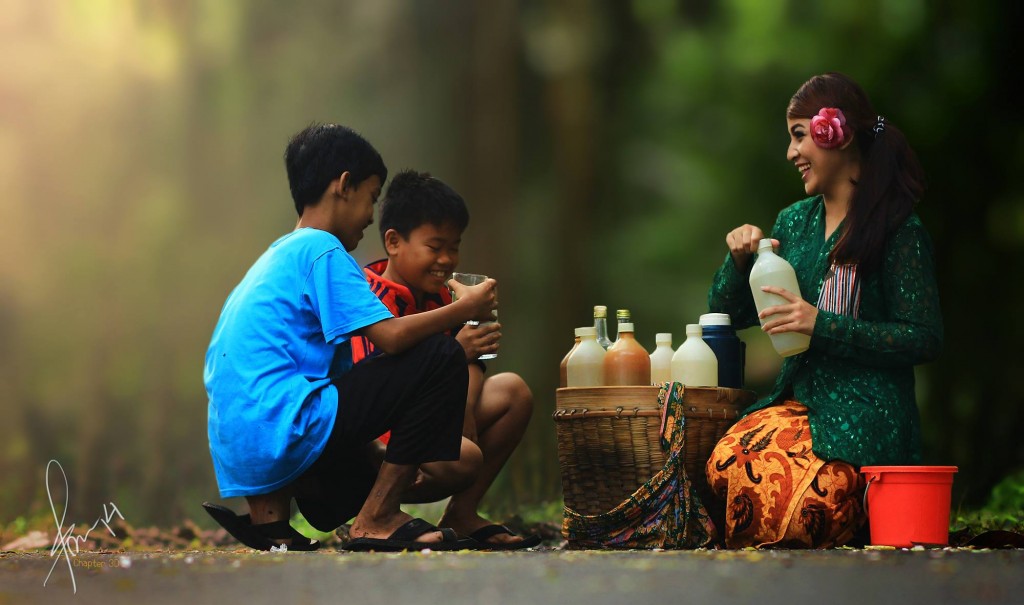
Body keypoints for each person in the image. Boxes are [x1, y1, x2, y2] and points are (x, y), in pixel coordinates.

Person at [202, 123, 498, 552]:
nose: (370, 216)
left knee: (338, 413)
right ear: (345, 186)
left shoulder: (274, 258)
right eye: (372, 198)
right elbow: (393, 338)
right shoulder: (322, 249)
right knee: (439, 352)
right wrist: (464, 310)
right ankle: (376, 518)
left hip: (245, 445)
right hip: (287, 428)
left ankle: (271, 523)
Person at [704, 72, 943, 548]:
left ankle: (862, 511)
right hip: (797, 404)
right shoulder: (794, 222)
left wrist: (823, 324)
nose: (791, 153)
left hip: (865, 415)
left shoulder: (897, 230)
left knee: (801, 505)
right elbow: (729, 313)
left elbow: (923, 337)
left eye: (798, 136)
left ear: (839, 132)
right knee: (724, 466)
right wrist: (738, 260)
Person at [349, 169, 538, 550]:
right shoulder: (368, 296)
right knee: (465, 457)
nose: (447, 259)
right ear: (393, 241)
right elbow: (375, 386)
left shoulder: (443, 295)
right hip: (378, 447)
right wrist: (456, 352)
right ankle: (377, 508)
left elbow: (470, 360)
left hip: (433, 426)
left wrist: (464, 407)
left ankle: (462, 513)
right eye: (435, 247)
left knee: (514, 391)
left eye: (455, 246)